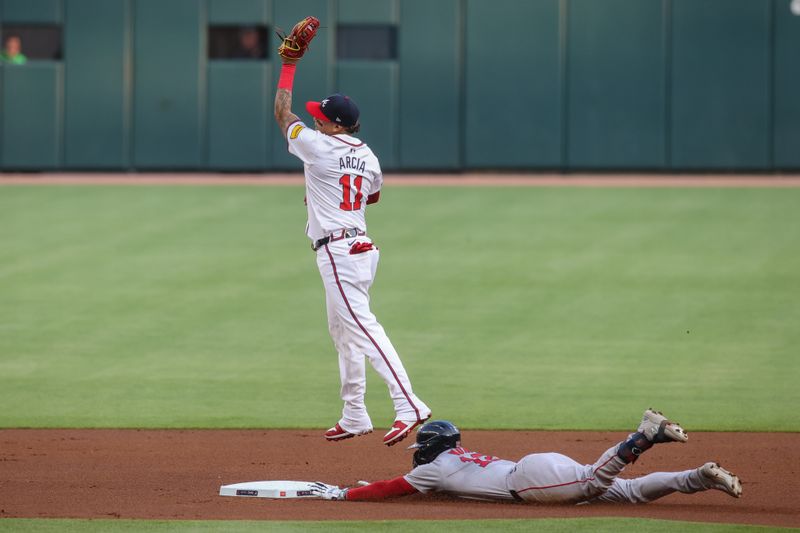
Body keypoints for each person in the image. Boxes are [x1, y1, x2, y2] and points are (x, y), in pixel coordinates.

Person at [273, 29, 431, 447]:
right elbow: (371, 195)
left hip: (339, 251)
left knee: (363, 329)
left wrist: (289, 66)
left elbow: (282, 116)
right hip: (358, 244)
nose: (315, 120)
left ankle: (408, 404)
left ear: (332, 124)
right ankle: (355, 412)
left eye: (320, 117)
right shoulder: (368, 155)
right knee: (343, 331)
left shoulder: (316, 147)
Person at [309, 409, 743, 503]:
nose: (418, 454)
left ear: (432, 448)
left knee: (595, 480)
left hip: (531, 481)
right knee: (626, 493)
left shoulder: (436, 469)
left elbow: (392, 488)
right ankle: (699, 477)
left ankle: (642, 437)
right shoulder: (455, 458)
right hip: (535, 469)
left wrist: (346, 495)